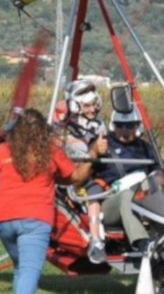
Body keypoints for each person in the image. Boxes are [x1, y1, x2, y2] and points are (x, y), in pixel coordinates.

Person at [0, 108, 93, 294]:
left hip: (3, 220)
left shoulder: (2, 150)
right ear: (43, 129)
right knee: (29, 270)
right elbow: (75, 176)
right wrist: (93, 155)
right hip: (35, 218)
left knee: (21, 266)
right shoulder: (50, 150)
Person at [91, 106, 164, 255]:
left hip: (142, 200)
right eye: (120, 125)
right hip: (110, 203)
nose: (125, 130)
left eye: (130, 125)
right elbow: (84, 170)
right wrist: (94, 151)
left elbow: (160, 179)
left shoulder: (146, 148)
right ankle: (142, 243)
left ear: (137, 126)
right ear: (113, 126)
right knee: (126, 195)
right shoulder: (103, 145)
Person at [57, 79, 109, 263]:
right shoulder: (64, 129)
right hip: (75, 178)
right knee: (93, 190)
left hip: (97, 173)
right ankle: (96, 240)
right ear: (75, 105)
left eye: (94, 105)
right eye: (87, 106)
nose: (92, 110)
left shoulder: (99, 125)